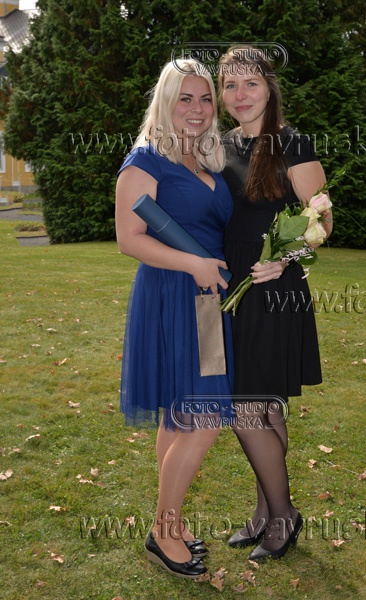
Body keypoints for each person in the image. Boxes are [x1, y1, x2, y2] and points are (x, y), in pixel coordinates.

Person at [115, 59, 234, 578]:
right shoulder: (146, 159)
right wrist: (193, 264)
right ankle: (164, 533)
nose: (197, 108)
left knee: (181, 415)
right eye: (185, 98)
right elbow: (129, 238)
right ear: (165, 102)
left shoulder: (205, 158)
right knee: (205, 417)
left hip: (207, 301)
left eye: (205, 98)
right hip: (171, 295)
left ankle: (171, 521)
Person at [218, 45, 333, 562]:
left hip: (273, 286)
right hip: (230, 284)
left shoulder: (293, 144)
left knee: (245, 409)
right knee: (263, 406)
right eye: (230, 85)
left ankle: (283, 515)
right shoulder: (218, 145)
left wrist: (284, 260)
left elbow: (322, 222)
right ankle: (265, 511)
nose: (240, 94)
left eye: (251, 83)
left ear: (269, 87)